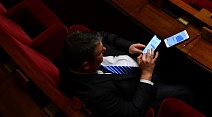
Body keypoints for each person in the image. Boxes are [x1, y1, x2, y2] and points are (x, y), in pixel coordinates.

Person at [61, 30, 194, 116]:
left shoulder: (81, 47)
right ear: (86, 66)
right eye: (101, 52)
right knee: (187, 90)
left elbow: (104, 36)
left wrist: (128, 46)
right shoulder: (94, 94)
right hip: (146, 87)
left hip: (140, 59)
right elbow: (133, 112)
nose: (105, 49)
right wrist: (146, 75)